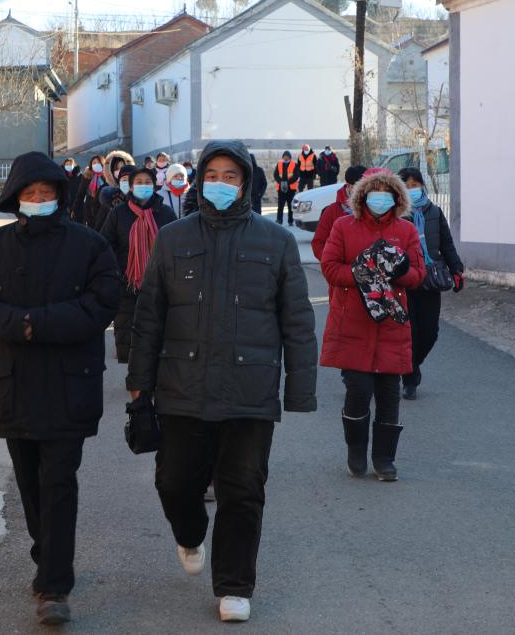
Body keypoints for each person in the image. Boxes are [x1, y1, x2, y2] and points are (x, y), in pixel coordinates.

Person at [128, 140, 317, 624]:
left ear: (247, 183)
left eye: (231, 176)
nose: (220, 184)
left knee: (243, 488)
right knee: (174, 481)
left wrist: (299, 389)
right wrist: (139, 386)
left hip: (249, 391)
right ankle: (190, 534)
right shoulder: (173, 239)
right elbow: (149, 317)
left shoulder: (274, 241)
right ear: (199, 180)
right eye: (212, 174)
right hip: (181, 386)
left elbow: (296, 320)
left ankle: (234, 584)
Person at [0, 151, 121, 627]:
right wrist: (18, 325)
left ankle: (54, 585)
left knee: (59, 481)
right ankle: (46, 556)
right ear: (15, 198)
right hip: (13, 382)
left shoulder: (90, 246)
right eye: (30, 194)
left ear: (60, 196)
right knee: (29, 482)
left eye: (46, 193)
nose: (38, 200)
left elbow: (103, 303)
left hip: (71, 382)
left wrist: (40, 323)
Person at [320, 168, 424, 481]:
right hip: (352, 320)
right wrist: (365, 274)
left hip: (391, 324)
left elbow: (418, 274)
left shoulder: (405, 230)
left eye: (387, 191)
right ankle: (356, 447)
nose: (380, 196)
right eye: (374, 190)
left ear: (396, 197)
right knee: (358, 390)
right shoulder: (343, 226)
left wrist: (395, 272)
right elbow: (330, 267)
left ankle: (384, 458)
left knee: (390, 394)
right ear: (362, 196)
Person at [397, 167, 465, 400]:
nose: (412, 189)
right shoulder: (394, 214)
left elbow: (446, 244)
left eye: (415, 184)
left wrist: (457, 269)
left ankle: (412, 365)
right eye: (406, 184)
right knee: (410, 332)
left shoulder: (434, 212)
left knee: (430, 333)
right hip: (403, 282)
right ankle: (409, 377)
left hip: (430, 280)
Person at [100, 166, 176, 364]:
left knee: (157, 335)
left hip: (158, 284)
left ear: (155, 185)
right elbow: (106, 244)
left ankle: (153, 380)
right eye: (139, 183)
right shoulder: (119, 213)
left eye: (147, 182)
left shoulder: (165, 213)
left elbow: (175, 247)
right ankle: (135, 383)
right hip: (127, 284)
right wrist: (117, 272)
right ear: (131, 187)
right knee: (129, 338)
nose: (143, 186)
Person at [310, 165, 366, 262]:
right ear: (349, 186)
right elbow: (318, 243)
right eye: (360, 187)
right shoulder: (332, 211)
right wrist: (332, 263)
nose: (364, 191)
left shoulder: (374, 209)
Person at [93, 150, 135, 230]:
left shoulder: (137, 192)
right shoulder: (105, 191)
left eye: (122, 167)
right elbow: (97, 211)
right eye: (117, 168)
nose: (119, 171)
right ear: (111, 170)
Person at [71, 155, 103, 225]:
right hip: (89, 209)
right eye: (94, 163)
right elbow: (80, 194)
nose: (96, 164)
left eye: (98, 162)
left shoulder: (107, 177)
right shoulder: (87, 177)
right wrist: (74, 209)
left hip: (103, 209)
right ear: (91, 165)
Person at [273, 151, 299, 226]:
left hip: (291, 188)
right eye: (284, 156)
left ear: (290, 157)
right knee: (280, 205)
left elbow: (296, 176)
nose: (285, 158)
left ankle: (290, 221)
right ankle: (279, 220)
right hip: (281, 188)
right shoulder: (279, 164)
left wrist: (288, 182)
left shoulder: (294, 164)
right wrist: (281, 182)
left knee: (290, 205)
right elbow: (276, 175)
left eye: (287, 156)